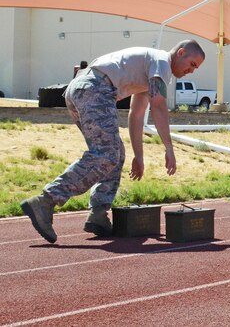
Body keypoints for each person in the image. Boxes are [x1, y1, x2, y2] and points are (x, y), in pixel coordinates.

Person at [20, 40, 206, 243]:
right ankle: (45, 201)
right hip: (95, 89)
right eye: (192, 64)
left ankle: (98, 213)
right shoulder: (161, 62)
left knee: (114, 154)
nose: (191, 71)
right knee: (106, 154)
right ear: (180, 53)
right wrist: (169, 149)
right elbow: (159, 106)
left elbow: (136, 114)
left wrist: (139, 156)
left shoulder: (151, 67)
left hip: (82, 89)